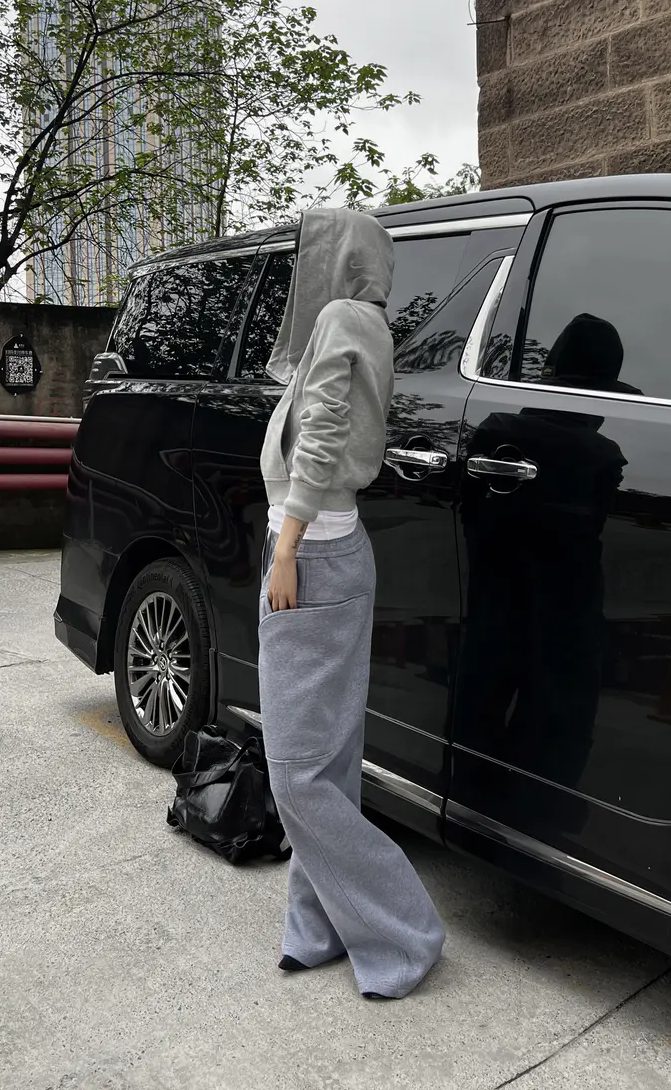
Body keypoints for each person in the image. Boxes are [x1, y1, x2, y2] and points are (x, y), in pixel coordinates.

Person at [257, 207, 445, 1000]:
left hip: (313, 553)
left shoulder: (341, 316)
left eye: (315, 251)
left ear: (336, 260)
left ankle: (404, 933)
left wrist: (288, 547)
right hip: (326, 549)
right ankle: (320, 926)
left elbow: (327, 427)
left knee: (295, 770)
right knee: (327, 760)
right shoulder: (364, 322)